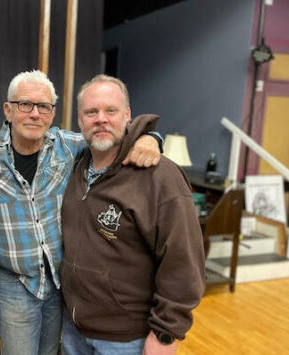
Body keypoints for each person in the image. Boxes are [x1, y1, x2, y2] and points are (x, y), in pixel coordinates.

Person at [0, 70, 163, 355]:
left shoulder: (69, 146)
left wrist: (151, 138)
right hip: (14, 282)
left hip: (60, 280)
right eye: (25, 104)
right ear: (8, 110)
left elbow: (110, 135)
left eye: (43, 106)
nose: (34, 113)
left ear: (52, 113)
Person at [60, 75, 205, 355]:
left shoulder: (159, 176)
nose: (101, 119)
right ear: (80, 120)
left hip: (127, 340)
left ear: (127, 115)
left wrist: (165, 333)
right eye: (91, 112)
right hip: (73, 330)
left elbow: (183, 261)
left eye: (110, 111)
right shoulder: (75, 167)